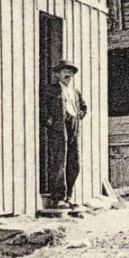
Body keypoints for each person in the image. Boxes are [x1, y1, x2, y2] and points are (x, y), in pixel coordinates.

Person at [43, 60, 88, 208]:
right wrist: (48, 120)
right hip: (58, 127)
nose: (68, 74)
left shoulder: (75, 92)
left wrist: (79, 115)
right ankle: (58, 197)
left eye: (70, 72)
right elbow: (42, 107)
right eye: (64, 71)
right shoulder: (51, 90)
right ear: (57, 74)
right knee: (59, 161)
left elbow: (83, 107)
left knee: (74, 161)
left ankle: (69, 196)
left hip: (73, 125)